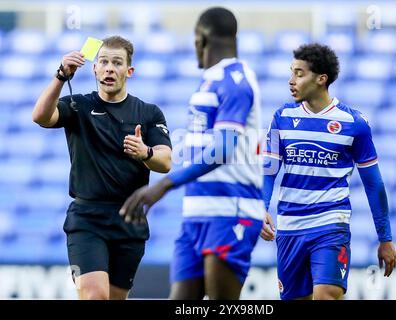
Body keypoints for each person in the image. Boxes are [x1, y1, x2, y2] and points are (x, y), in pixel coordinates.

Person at [119, 7, 265, 300]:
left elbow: (223, 150)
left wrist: (164, 184)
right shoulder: (209, 80)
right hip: (196, 213)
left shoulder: (235, 80)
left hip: (229, 211)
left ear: (201, 38)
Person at [31, 36, 172, 300]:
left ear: (129, 71)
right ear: (94, 68)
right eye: (103, 62)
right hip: (87, 217)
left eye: (117, 63)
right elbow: (40, 116)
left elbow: (165, 161)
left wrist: (146, 152)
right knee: (95, 295)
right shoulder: (79, 106)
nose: (109, 68)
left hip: (129, 218)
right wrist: (61, 76)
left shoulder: (149, 113)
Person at [260, 43, 396, 300]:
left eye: (299, 74)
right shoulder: (282, 117)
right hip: (289, 228)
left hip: (330, 224)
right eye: (291, 72)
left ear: (321, 79)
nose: (291, 81)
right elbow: (269, 170)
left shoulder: (353, 124)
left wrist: (385, 238)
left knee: (326, 295)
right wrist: (261, 207)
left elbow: (373, 185)